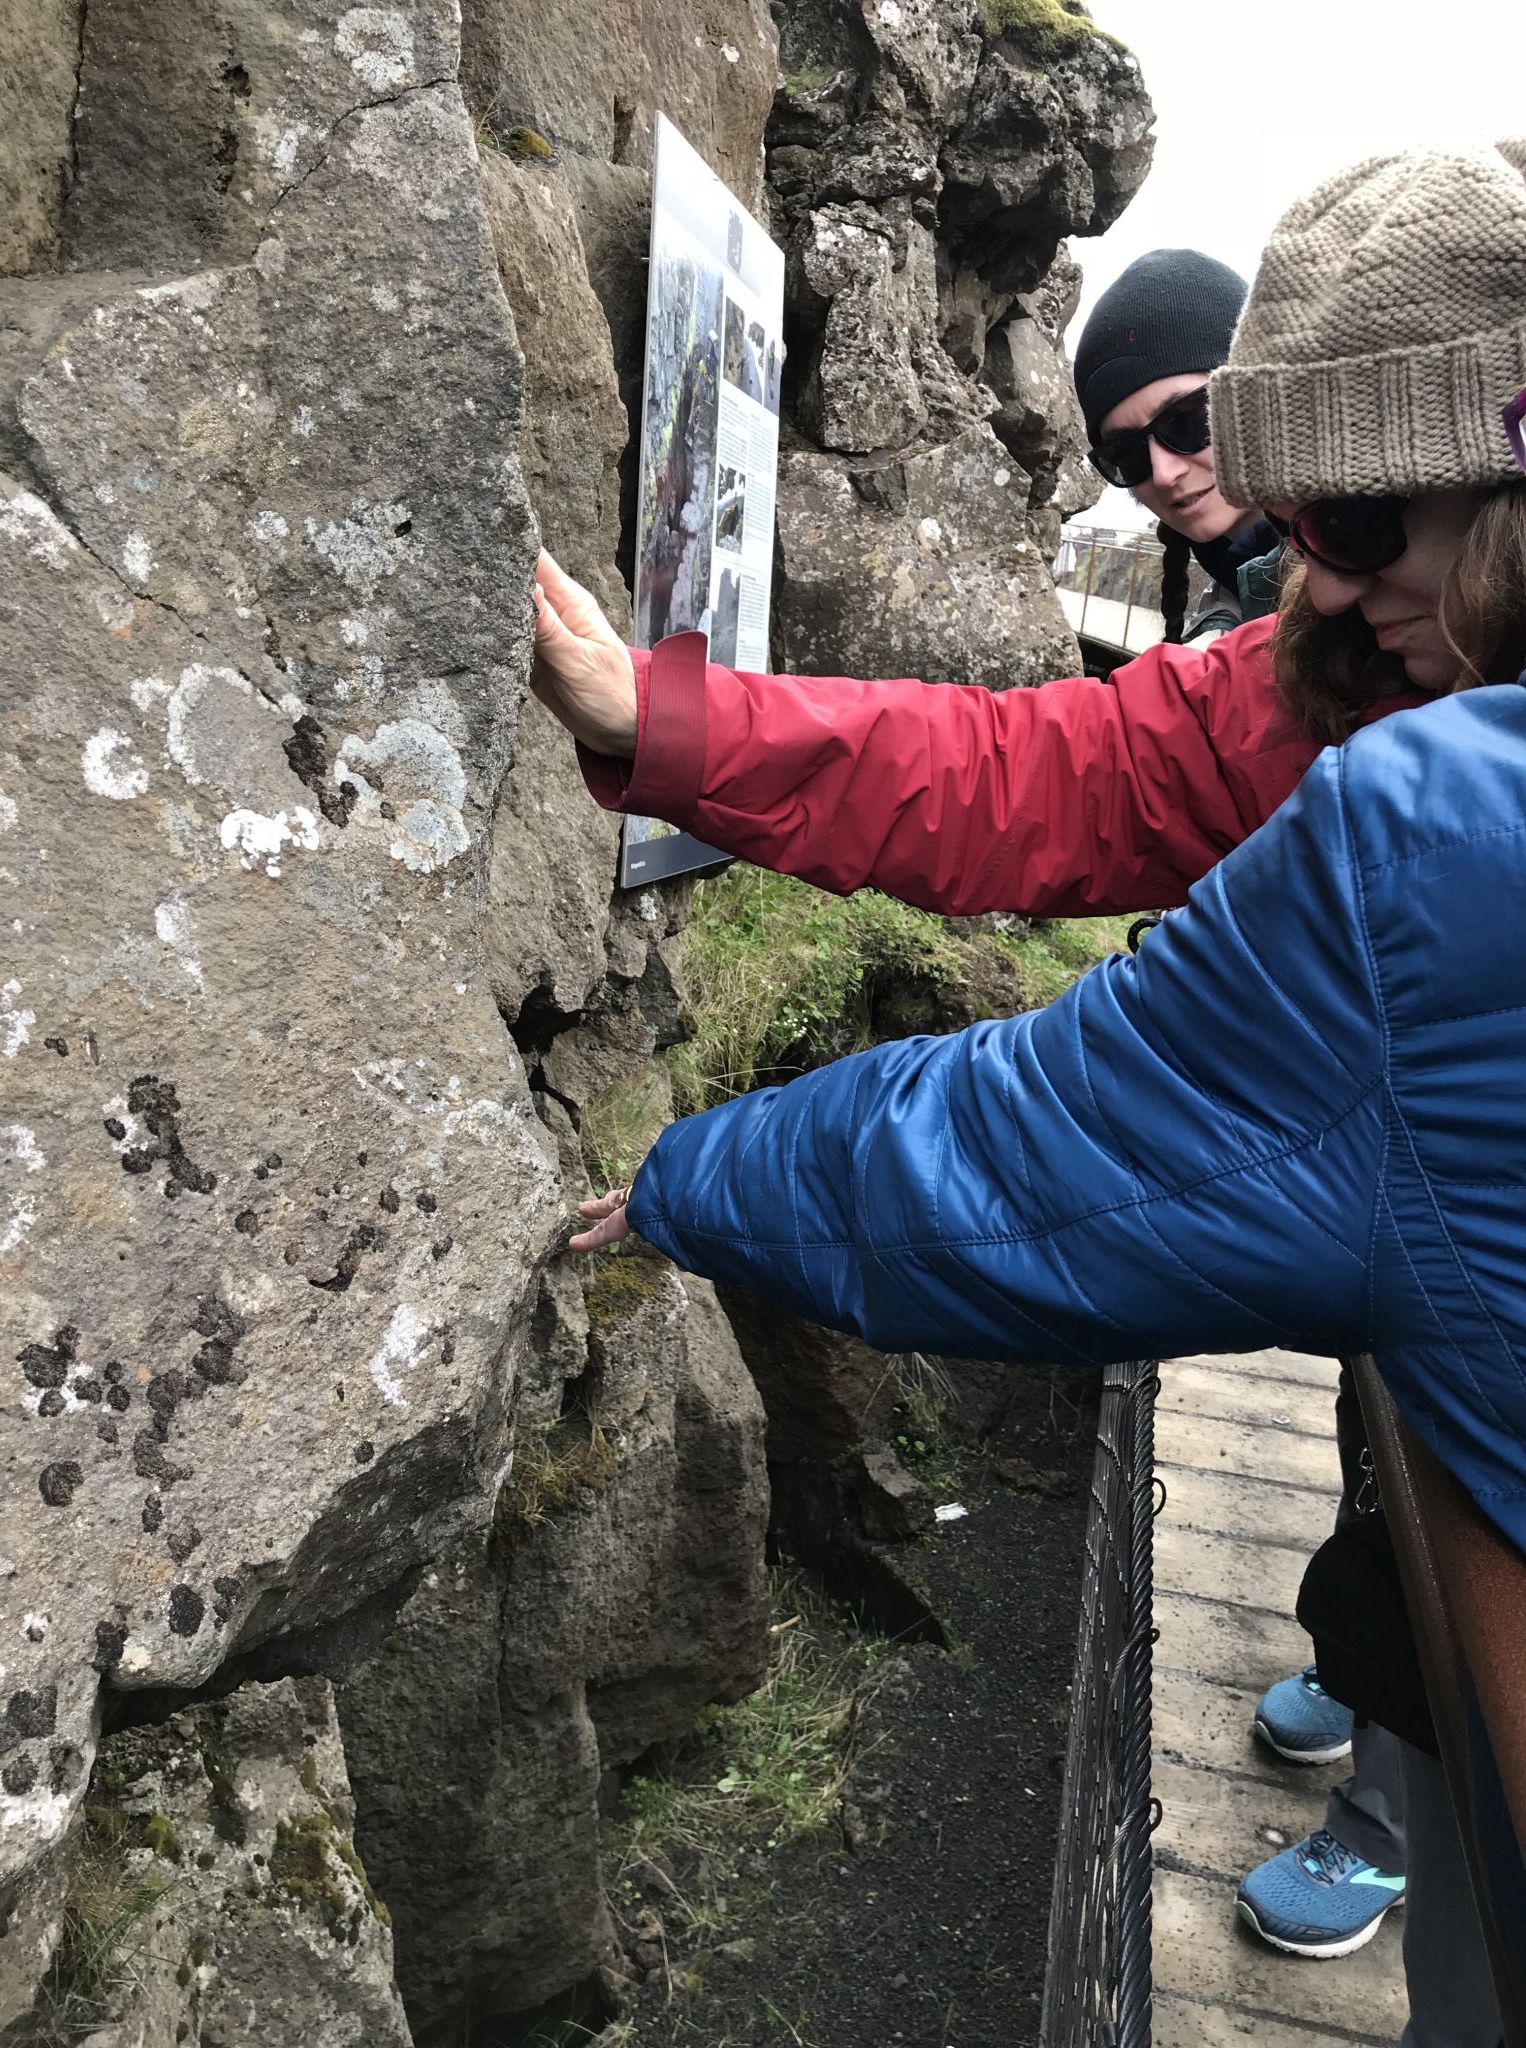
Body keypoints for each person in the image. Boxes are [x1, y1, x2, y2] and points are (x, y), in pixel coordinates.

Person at [534, 140, 1526, 2042]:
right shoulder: (1377, 662)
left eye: (1353, 513)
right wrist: (668, 720)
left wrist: (685, 1177)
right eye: (1286, 513)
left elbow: (1025, 1160)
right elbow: (1048, 767)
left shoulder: (1441, 835)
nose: (1308, 569)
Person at [1079, 248, 1412, 1958]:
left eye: (1191, 418)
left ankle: (1389, 1814)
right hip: (1359, 1123)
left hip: (1417, 1138)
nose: (1160, 467)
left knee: (1431, 1459)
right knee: (1379, 1440)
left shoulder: (1367, 613)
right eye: (1119, 448)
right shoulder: (1253, 599)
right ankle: (1369, 1685)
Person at [1074, 248, 1281, 642]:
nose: (1164, 474)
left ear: (1259, 394)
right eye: (1126, 454)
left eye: (1188, 420)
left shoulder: (1382, 569)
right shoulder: (1234, 600)